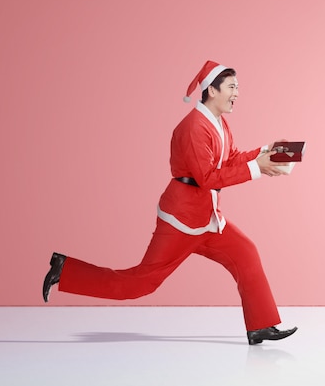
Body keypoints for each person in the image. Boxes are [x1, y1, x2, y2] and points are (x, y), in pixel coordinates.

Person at [42, 59, 297, 345]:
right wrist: (257, 168)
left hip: (207, 217)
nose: (237, 93)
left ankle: (260, 325)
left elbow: (231, 158)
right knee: (140, 283)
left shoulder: (219, 123)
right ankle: (66, 271)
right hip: (182, 219)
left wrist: (267, 152)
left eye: (238, 87)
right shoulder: (192, 128)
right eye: (232, 87)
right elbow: (207, 177)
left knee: (246, 253)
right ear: (212, 91)